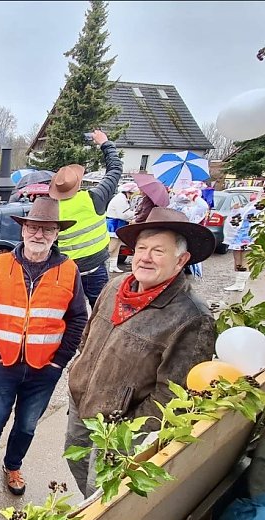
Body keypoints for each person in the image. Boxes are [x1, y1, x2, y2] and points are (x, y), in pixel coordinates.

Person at [64, 208, 217, 496]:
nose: (145, 257)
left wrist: (130, 429)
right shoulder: (114, 287)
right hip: (81, 406)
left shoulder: (192, 317)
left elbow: (174, 396)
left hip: (120, 428)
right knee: (79, 467)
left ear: (181, 260)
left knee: (104, 494)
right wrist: (79, 373)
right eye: (142, 248)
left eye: (159, 251)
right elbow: (88, 337)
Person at [0, 198, 88, 498]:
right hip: (4, 366)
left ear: (56, 234)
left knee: (27, 426)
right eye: (34, 227)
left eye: (47, 230)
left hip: (43, 370)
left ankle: (13, 466)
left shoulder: (69, 270)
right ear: (23, 231)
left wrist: (59, 361)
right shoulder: (0, 265)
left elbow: (78, 318)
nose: (39, 235)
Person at [48, 129, 123, 307]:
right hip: (95, 267)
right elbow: (115, 169)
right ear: (78, 183)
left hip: (66, 271)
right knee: (101, 311)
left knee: (66, 313)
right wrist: (105, 142)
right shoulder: (94, 197)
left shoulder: (51, 209)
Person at [223, 184, 265, 292]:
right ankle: (238, 282)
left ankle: (241, 283)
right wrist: (236, 209)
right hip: (239, 234)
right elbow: (241, 216)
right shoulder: (254, 204)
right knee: (237, 258)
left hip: (250, 236)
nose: (263, 195)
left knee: (245, 259)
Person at [105, 182, 137, 273]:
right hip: (114, 224)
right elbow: (123, 215)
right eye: (131, 194)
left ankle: (113, 266)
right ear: (128, 192)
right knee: (112, 246)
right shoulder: (120, 199)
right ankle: (101, 262)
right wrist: (135, 213)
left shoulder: (124, 198)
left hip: (120, 224)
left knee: (118, 246)